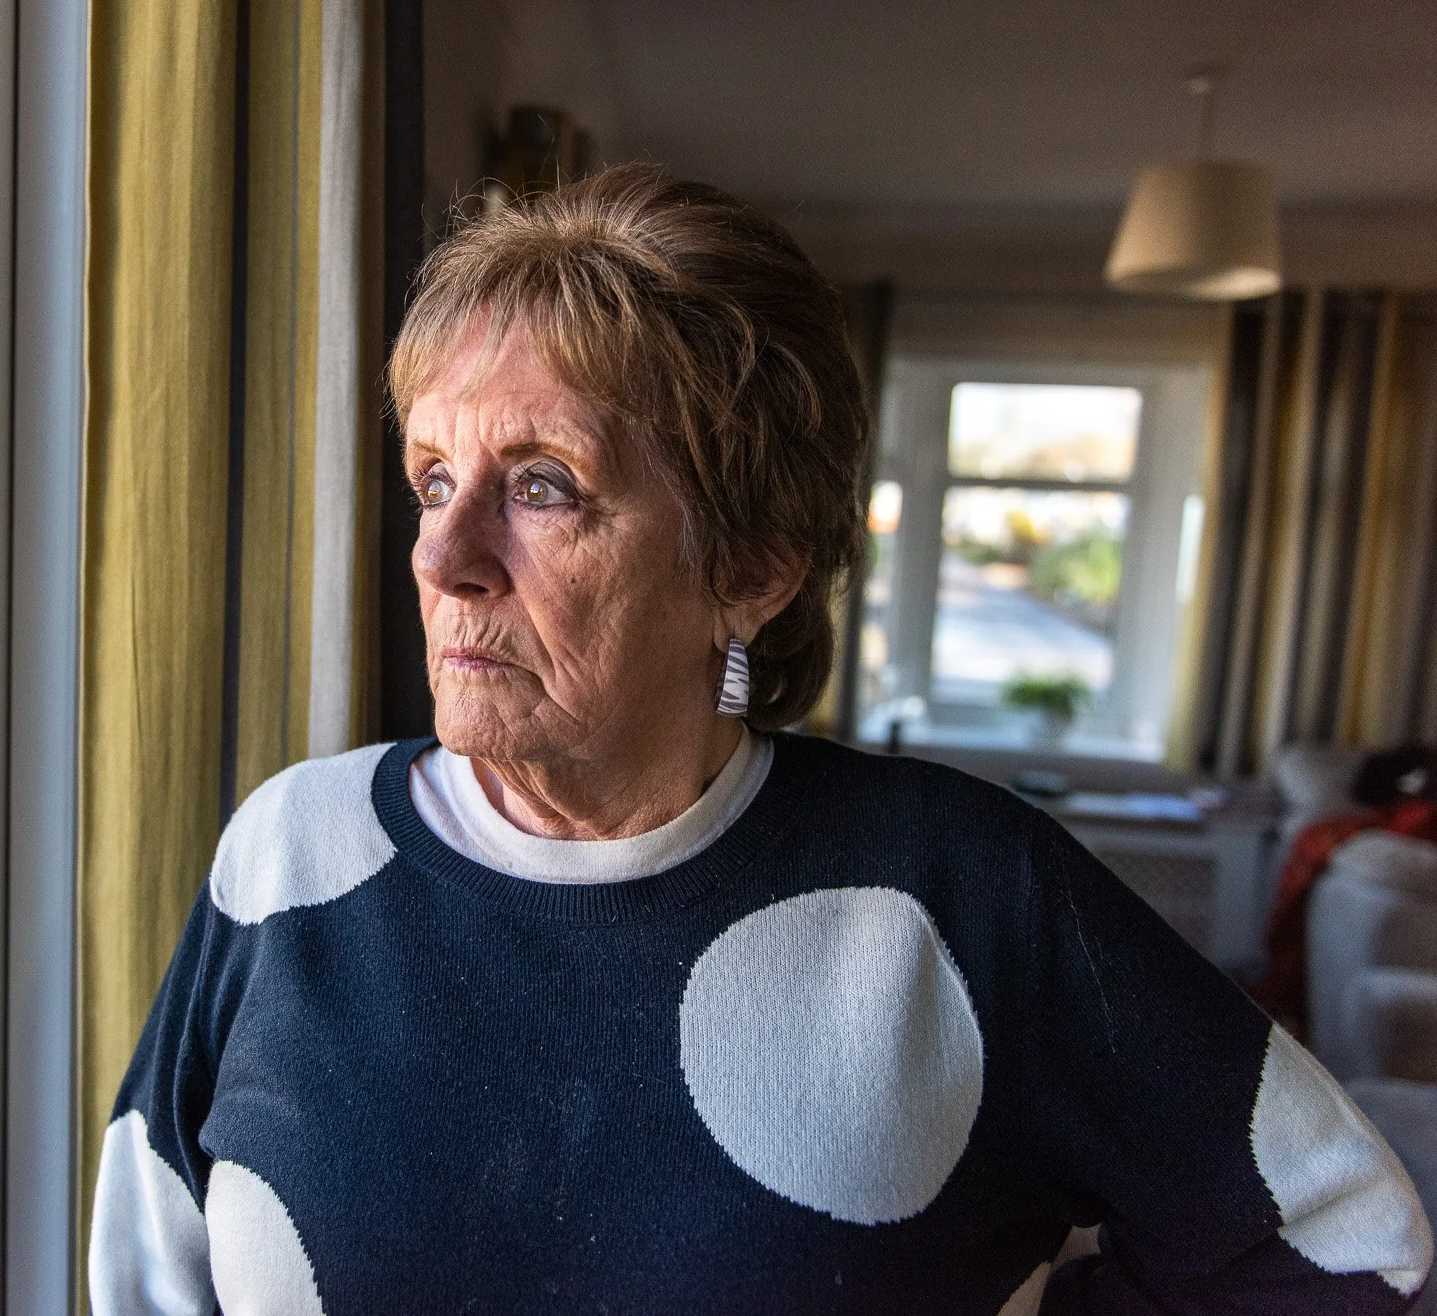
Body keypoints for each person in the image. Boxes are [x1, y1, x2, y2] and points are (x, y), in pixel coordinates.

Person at [89, 163, 1432, 1314]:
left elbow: (1339, 1232)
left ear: (753, 568)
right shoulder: (292, 852)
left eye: (542, 487)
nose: (442, 553)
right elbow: (143, 1270)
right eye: (434, 478)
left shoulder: (957, 895)